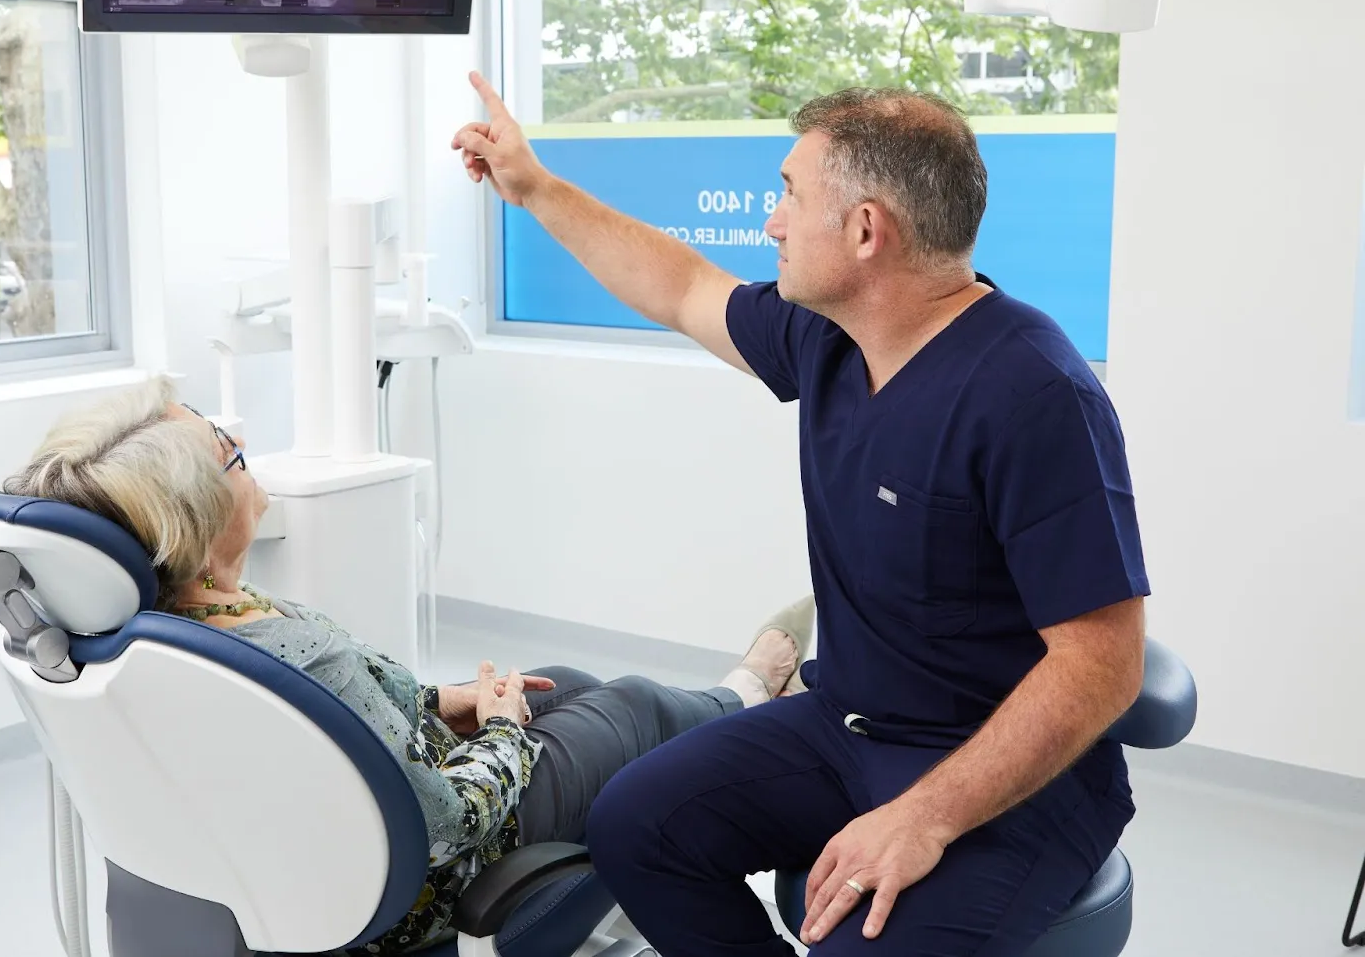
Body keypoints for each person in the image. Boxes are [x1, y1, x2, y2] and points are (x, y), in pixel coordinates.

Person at [452, 77, 1149, 956]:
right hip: (848, 726)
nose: (772, 223)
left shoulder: (1035, 395)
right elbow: (680, 288)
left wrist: (923, 818)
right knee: (634, 822)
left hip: (1010, 777)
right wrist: (534, 187)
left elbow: (1104, 664)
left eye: (788, 194)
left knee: (857, 942)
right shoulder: (829, 336)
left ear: (865, 230)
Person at [1, 376, 815, 956]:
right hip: (418, 878)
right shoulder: (287, 656)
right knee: (629, 703)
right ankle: (749, 695)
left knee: (564, 682)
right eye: (227, 449)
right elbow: (440, 826)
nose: (244, 442)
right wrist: (498, 728)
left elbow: (335, 729)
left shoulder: (161, 638)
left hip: (318, 851)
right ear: (202, 518)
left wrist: (444, 701)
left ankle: (707, 736)